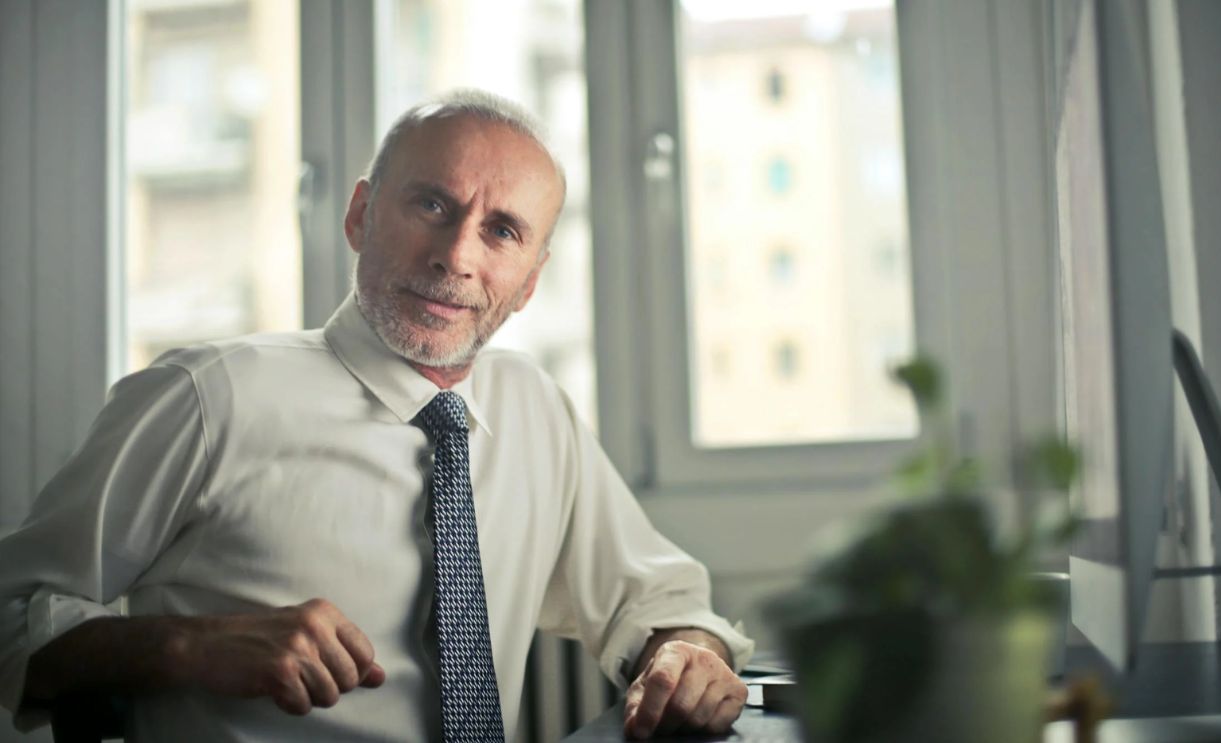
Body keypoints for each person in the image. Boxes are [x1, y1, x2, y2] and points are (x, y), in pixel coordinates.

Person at [0, 89, 753, 742]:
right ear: (361, 214)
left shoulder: (533, 405)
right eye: (432, 204)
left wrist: (682, 653)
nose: (456, 254)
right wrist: (186, 647)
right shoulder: (206, 397)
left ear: (527, 283)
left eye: (501, 231)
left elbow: (654, 600)